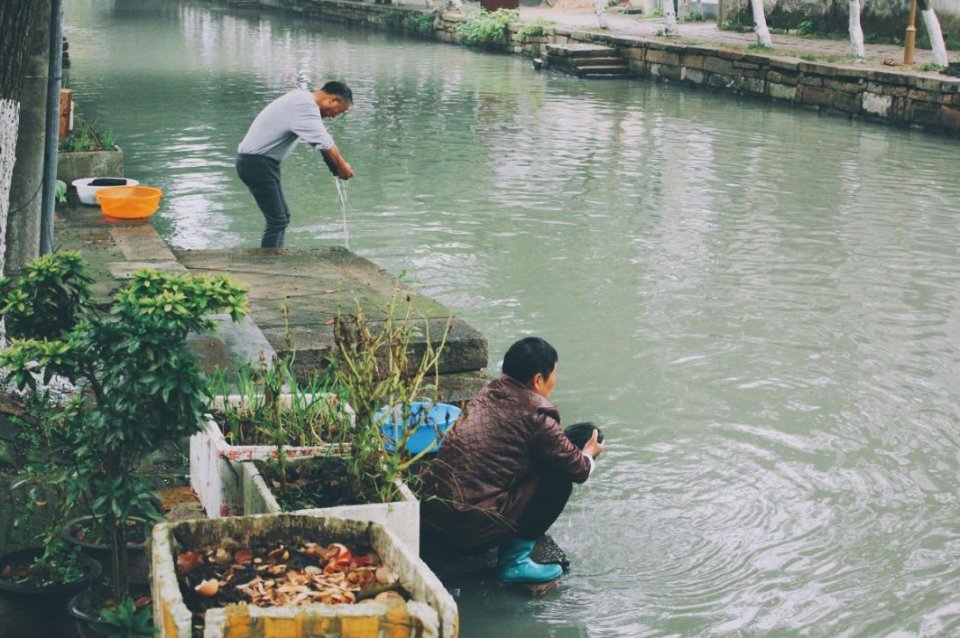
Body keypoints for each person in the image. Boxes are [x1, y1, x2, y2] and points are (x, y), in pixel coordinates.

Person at [420, 336, 605, 584]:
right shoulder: (537, 416)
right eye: (553, 374)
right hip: (467, 531)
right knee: (559, 481)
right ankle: (514, 564)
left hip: (431, 515)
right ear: (538, 379)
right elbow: (579, 470)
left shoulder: (488, 393)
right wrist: (589, 453)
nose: (555, 382)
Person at [236, 81, 354, 248]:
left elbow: (321, 143)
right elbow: (325, 142)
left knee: (283, 216)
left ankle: (276, 259)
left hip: (261, 163)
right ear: (332, 100)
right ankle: (269, 265)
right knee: (277, 220)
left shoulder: (301, 99)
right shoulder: (305, 106)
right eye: (339, 111)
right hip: (256, 164)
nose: (334, 116)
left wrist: (334, 166)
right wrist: (341, 166)